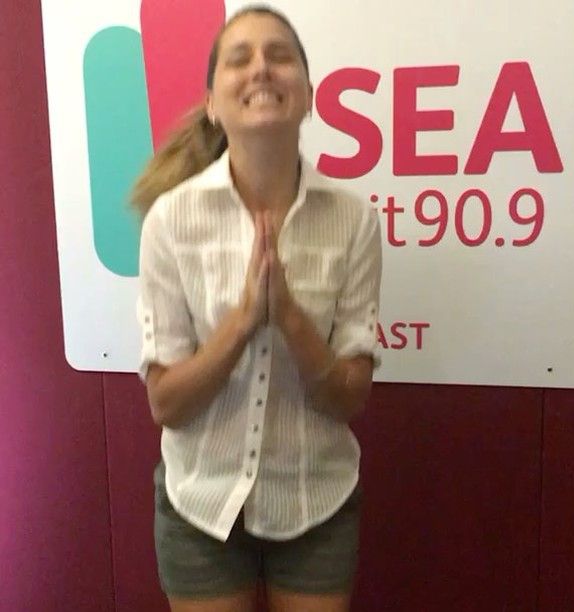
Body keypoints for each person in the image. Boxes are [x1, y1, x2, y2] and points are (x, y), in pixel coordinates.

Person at [133, 5, 382, 612]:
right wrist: (243, 321)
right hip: (200, 506)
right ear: (212, 103)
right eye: (239, 58)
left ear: (309, 96)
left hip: (316, 501)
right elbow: (167, 404)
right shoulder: (172, 220)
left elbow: (349, 399)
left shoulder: (354, 221)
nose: (261, 69)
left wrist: (290, 319)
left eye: (280, 55)